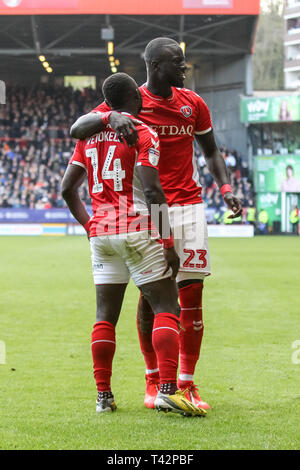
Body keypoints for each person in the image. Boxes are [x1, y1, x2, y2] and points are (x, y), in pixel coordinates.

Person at [70, 37, 243, 411]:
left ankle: (185, 383)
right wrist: (107, 116)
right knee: (152, 300)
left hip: (188, 205)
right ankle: (154, 381)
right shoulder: (132, 103)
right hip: (148, 208)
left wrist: (226, 187)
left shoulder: (192, 103)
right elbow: (79, 125)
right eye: (178, 62)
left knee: (191, 296)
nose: (185, 68)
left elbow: (211, 151)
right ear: (155, 67)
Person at [62, 72, 205, 417]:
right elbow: (154, 192)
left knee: (104, 317)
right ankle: (168, 392)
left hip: (101, 233)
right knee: (166, 306)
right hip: (136, 227)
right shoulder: (143, 132)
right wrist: (168, 241)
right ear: (136, 99)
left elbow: (68, 189)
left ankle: (103, 397)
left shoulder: (89, 135)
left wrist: (88, 225)